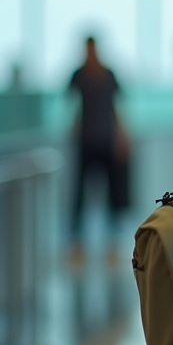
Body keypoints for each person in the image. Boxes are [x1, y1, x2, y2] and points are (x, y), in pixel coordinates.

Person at [68, 36, 130, 265]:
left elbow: (116, 108)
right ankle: (77, 244)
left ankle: (112, 243)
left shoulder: (108, 75)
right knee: (79, 194)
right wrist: (72, 131)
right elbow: (73, 105)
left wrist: (122, 136)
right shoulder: (79, 75)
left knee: (112, 194)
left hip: (107, 142)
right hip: (85, 143)